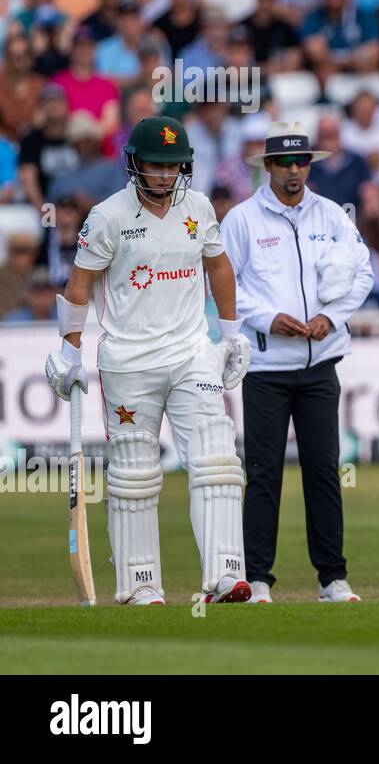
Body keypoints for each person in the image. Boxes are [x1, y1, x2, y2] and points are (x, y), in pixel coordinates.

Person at [42, 114, 252, 605]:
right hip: (129, 361)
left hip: (191, 351)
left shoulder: (198, 207)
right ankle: (141, 585)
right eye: (155, 165)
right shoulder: (107, 216)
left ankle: (226, 575)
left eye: (173, 166)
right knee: (134, 473)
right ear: (134, 163)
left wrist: (232, 333)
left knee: (216, 457)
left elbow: (218, 265)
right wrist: (70, 348)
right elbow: (79, 285)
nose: (163, 175)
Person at [221, 121, 374, 604]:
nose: (293, 170)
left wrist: (332, 316)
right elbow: (224, 287)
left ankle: (333, 578)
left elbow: (363, 270)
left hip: (319, 364)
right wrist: (268, 319)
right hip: (267, 369)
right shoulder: (242, 220)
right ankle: (259, 579)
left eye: (301, 161)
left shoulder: (331, 215)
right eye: (285, 162)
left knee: (324, 470)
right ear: (267, 167)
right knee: (264, 473)